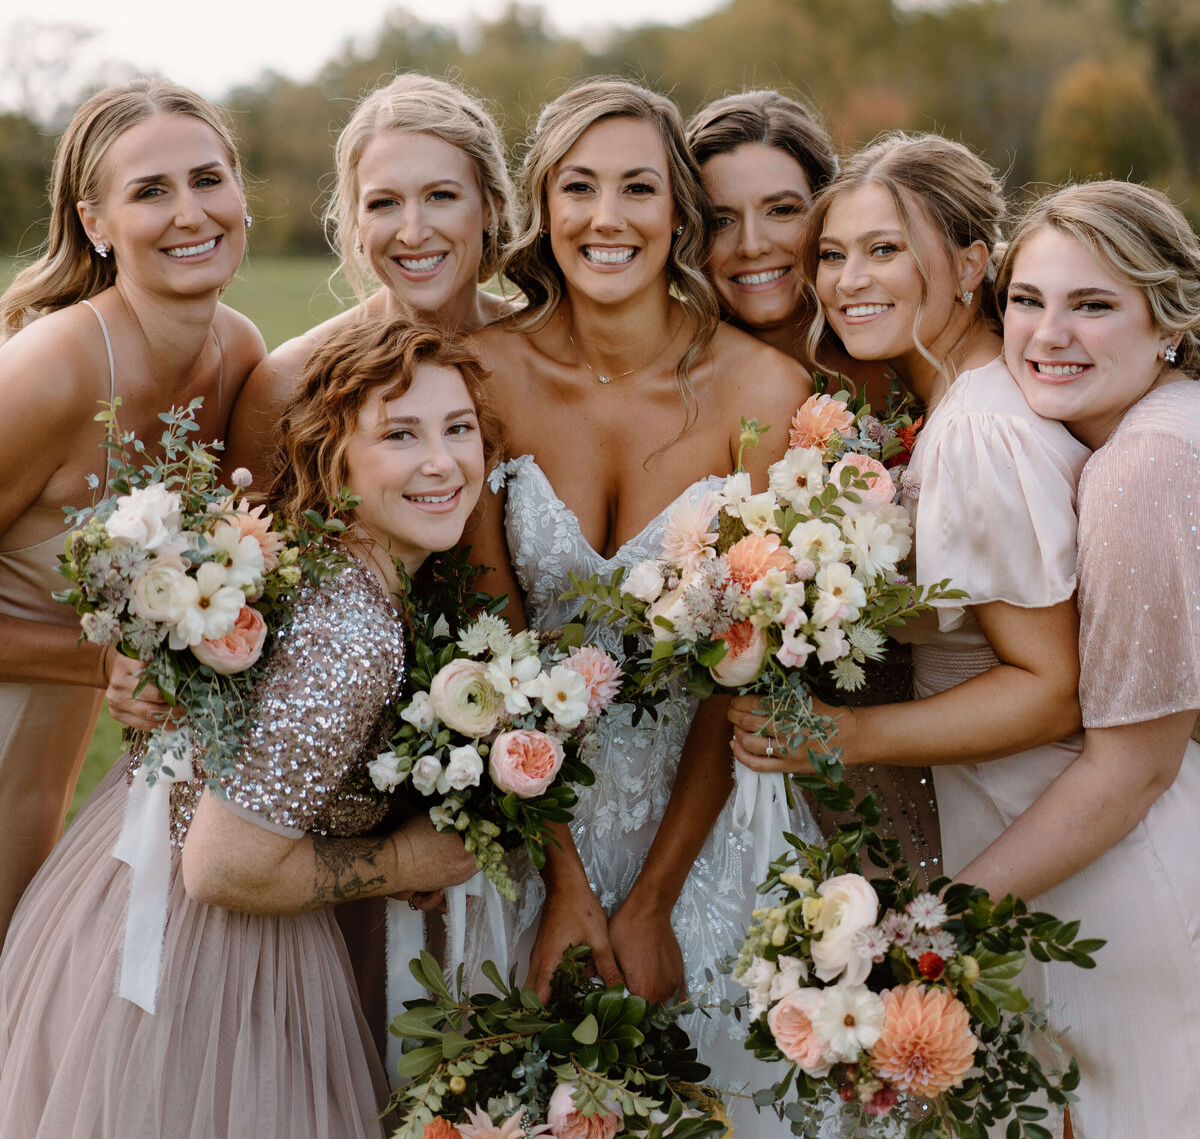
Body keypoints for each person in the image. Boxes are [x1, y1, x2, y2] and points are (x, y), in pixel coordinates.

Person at [0, 317, 486, 1139]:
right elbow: (224, 868)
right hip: (204, 961)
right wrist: (403, 858)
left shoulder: (326, 569)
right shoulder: (349, 639)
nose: (442, 461)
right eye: (401, 435)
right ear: (335, 463)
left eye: (460, 428)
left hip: (117, 893)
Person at [466, 80, 814, 1132]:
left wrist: (655, 899)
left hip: (708, 826)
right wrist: (564, 885)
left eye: (639, 188)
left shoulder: (764, 393)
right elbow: (490, 652)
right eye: (579, 186)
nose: (607, 217)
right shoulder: (480, 376)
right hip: (530, 828)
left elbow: (744, 666)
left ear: (679, 216)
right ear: (543, 205)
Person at [730, 133, 1087, 901]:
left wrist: (847, 734)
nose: (848, 281)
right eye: (832, 255)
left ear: (969, 264)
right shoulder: (956, 407)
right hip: (999, 816)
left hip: (1048, 833)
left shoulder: (978, 428)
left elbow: (1052, 687)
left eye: (884, 249)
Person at [957, 181, 1200, 1137]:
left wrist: (936, 919)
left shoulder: (1144, 469)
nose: (1048, 334)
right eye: (1028, 300)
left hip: (1150, 885)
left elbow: (1135, 769)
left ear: (1170, 322)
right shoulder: (1161, 431)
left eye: (1093, 305)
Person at [0, 79, 265, 945]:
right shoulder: (55, 368)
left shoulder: (238, 353)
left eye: (207, 180)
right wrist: (101, 663)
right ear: (96, 222)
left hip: (56, 768)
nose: (190, 213)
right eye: (151, 191)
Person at [227, 71, 515, 486]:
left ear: (491, 208)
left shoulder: (548, 352)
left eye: (441, 196)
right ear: (357, 223)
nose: (413, 232)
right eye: (384, 203)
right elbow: (246, 539)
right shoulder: (290, 378)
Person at [685, 89, 892, 406]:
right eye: (721, 220)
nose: (752, 246)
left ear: (826, 211)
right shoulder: (668, 379)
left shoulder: (901, 354)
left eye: (781, 210)